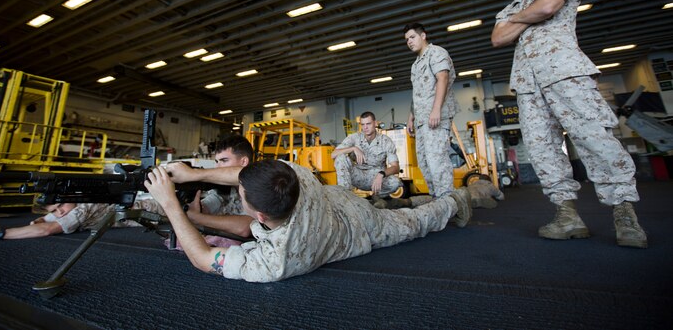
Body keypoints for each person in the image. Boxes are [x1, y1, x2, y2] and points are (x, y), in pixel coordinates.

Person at [491, 0, 647, 248]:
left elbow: (548, 7)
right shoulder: (507, 8)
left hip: (566, 76)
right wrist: (526, 14)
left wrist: (518, 20)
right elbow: (498, 38)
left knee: (594, 139)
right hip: (529, 87)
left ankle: (625, 213)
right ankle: (567, 215)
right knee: (542, 150)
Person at [144, 159, 472, 282]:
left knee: (415, 223)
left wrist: (172, 205)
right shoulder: (293, 177)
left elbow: (202, 259)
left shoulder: (276, 259)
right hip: (343, 200)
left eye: (241, 194)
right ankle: (416, 199)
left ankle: (454, 200)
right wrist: (194, 174)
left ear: (260, 216)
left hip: (361, 230)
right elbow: (249, 174)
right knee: (395, 209)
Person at [404, 22, 459, 198]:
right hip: (421, 121)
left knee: (438, 163)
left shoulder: (436, 53)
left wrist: (436, 110)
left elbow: (442, 78)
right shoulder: (415, 64)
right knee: (425, 164)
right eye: (406, 40)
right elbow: (417, 93)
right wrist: (411, 117)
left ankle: (449, 203)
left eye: (412, 37)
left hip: (436, 117)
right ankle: (439, 202)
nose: (409, 42)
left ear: (423, 36)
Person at [0, 198, 163, 241]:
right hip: (148, 213)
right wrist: (42, 219)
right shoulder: (66, 207)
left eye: (61, 206)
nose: (60, 212)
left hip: (156, 211)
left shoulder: (83, 207)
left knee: (190, 219)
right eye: (55, 210)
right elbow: (48, 219)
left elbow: (47, 230)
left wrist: (1, 233)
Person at [185, 135, 255, 238]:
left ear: (244, 162)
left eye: (224, 160)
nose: (217, 167)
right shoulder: (226, 189)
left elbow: (245, 228)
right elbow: (212, 202)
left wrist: (198, 218)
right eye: (217, 161)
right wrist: (199, 209)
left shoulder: (259, 186)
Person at [331, 111, 402, 198]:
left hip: (377, 178)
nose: (365, 127)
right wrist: (353, 148)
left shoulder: (386, 141)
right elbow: (333, 154)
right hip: (358, 176)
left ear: (375, 123)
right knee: (340, 158)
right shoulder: (354, 137)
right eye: (363, 124)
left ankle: (377, 197)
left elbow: (396, 167)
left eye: (368, 124)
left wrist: (381, 174)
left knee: (395, 182)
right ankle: (346, 196)